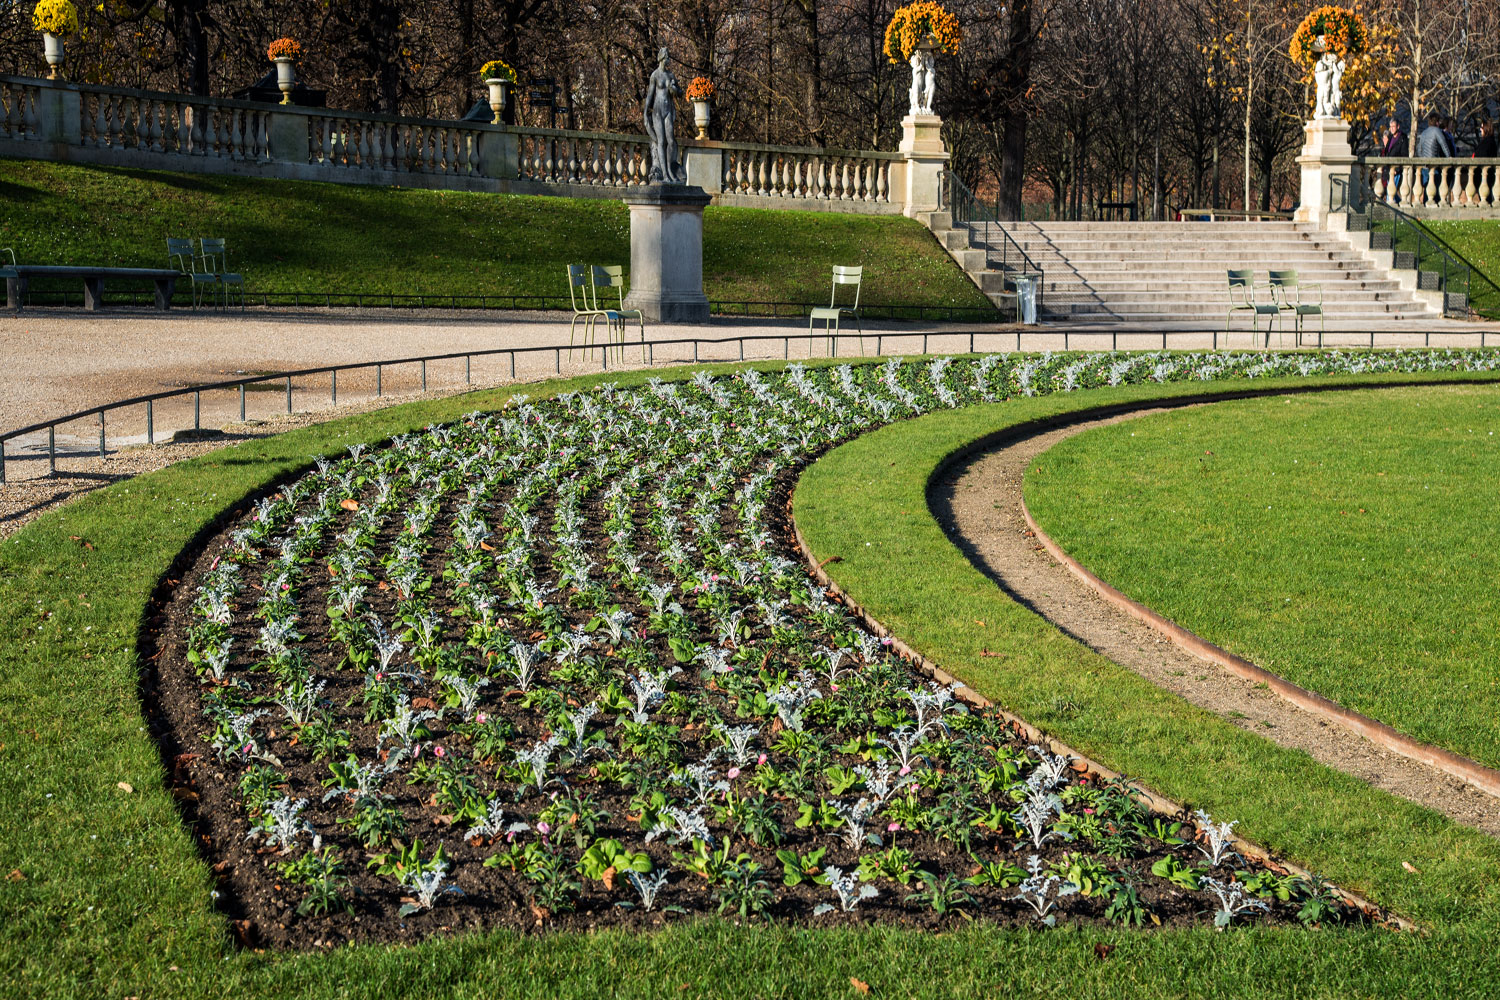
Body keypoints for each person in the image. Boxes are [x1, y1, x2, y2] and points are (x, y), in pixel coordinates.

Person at [1416, 110, 1454, 198]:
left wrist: (1423, 160)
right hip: (1434, 166)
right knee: (1435, 190)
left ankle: (1426, 205)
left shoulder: (1424, 132)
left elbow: (1419, 149)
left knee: (1427, 189)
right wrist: (1449, 157)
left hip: (1425, 166)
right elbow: (1443, 144)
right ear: (1437, 122)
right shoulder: (1437, 131)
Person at [1380, 118, 1405, 202]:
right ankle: (1401, 206)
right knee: (1391, 193)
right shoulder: (1390, 137)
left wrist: (1397, 169)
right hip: (1388, 169)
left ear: (1398, 126)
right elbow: (1386, 153)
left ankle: (1390, 213)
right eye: (1390, 127)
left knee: (1390, 194)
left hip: (1395, 170)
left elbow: (1404, 156)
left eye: (1393, 126)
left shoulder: (1402, 138)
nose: (1392, 128)